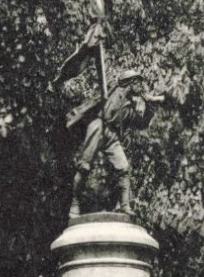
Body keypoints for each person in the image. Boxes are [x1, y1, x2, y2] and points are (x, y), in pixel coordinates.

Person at [68, 72, 163, 218]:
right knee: (84, 167)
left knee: (124, 168)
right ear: (130, 82)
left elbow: (141, 124)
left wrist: (150, 108)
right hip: (98, 127)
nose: (141, 86)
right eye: (138, 82)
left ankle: (125, 205)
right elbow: (107, 88)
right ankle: (74, 204)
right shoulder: (112, 89)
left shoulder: (132, 106)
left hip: (112, 135)